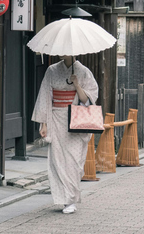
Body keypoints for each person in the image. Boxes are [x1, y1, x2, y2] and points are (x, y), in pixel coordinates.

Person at [32, 54, 99, 214]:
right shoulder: (51, 70)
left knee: (74, 161)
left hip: (76, 120)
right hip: (56, 118)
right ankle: (65, 200)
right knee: (58, 160)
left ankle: (71, 199)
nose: (63, 52)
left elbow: (88, 100)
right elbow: (45, 97)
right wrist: (44, 122)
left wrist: (77, 85)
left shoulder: (83, 72)